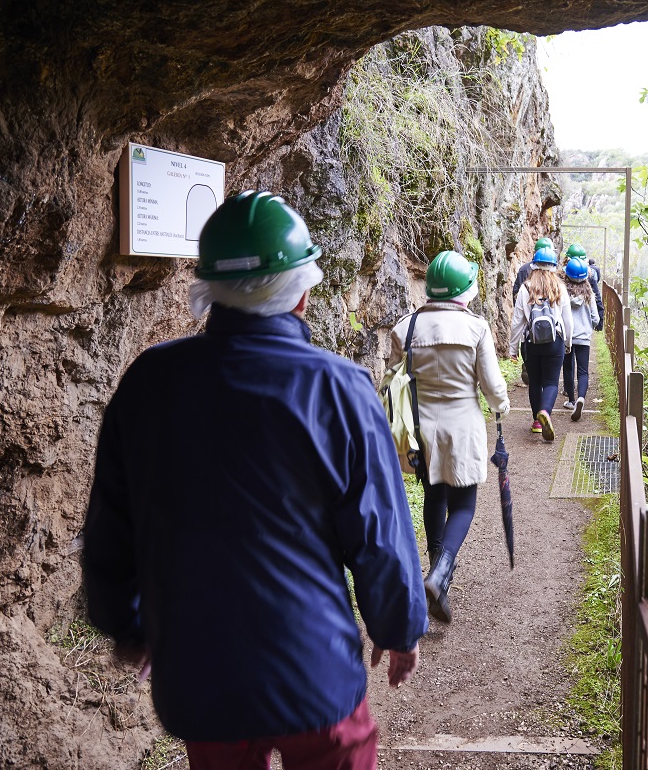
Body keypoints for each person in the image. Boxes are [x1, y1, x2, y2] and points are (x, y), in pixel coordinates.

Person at [83, 190, 426, 770]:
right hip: (313, 669)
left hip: (198, 668)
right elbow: (375, 531)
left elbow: (113, 523)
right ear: (302, 291)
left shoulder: (148, 383)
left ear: (209, 289)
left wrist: (129, 622)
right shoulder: (339, 389)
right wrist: (397, 626)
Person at [389, 250, 510, 624]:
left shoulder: (405, 328)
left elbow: (397, 382)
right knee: (464, 505)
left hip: (422, 429)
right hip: (462, 428)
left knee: (433, 496)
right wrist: (502, 406)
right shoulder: (476, 328)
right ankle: (441, 573)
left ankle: (435, 572)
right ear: (465, 290)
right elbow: (492, 388)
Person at [510, 246, 573, 443]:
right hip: (555, 342)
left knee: (535, 382)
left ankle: (537, 422)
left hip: (531, 343)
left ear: (534, 265)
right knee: (551, 382)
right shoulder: (560, 288)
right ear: (554, 267)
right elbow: (568, 319)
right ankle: (546, 412)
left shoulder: (526, 288)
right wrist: (568, 343)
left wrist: (513, 349)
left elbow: (517, 321)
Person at [512, 236, 555, 389]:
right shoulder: (555, 279)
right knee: (549, 373)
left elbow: (515, 292)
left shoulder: (524, 269)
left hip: (528, 327)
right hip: (550, 328)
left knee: (530, 355)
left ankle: (530, 370)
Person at [561, 257, 599, 422]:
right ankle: (581, 398)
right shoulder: (588, 292)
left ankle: (571, 400)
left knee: (568, 368)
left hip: (567, 337)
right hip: (584, 337)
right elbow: (596, 318)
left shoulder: (562, 291)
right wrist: (589, 324)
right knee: (583, 371)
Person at [564, 242, 604, 331]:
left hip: (566, 332)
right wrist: (598, 324)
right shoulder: (589, 276)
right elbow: (597, 300)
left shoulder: (562, 277)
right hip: (584, 332)